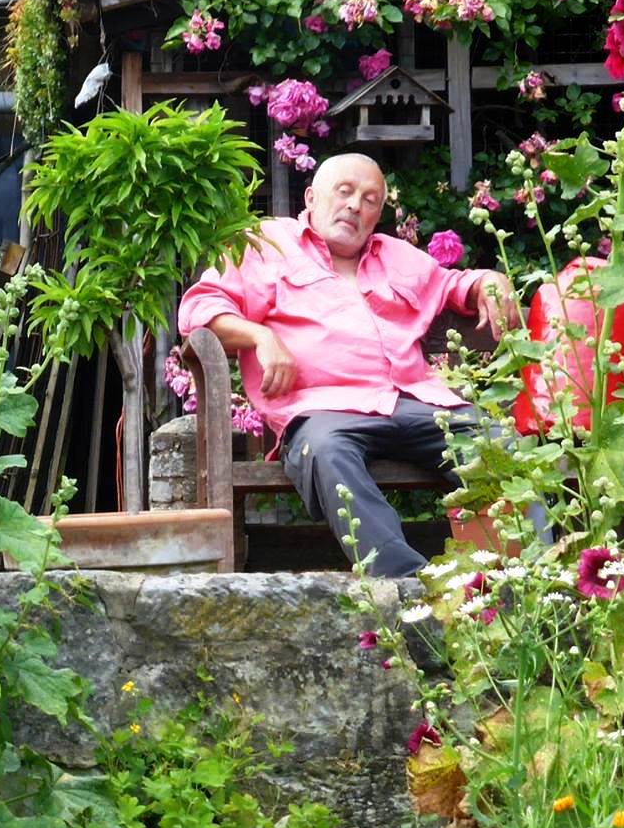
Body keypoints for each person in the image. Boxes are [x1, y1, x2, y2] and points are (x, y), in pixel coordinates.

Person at [177, 152, 522, 577]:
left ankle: (525, 580)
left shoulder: (399, 257)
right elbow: (200, 309)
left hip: (415, 404)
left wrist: (490, 280)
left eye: (370, 199)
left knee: (502, 447)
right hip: (322, 413)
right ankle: (405, 586)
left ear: (377, 214)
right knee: (326, 451)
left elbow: (453, 284)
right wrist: (261, 336)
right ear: (311, 197)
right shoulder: (266, 244)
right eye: (345, 192)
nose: (356, 205)